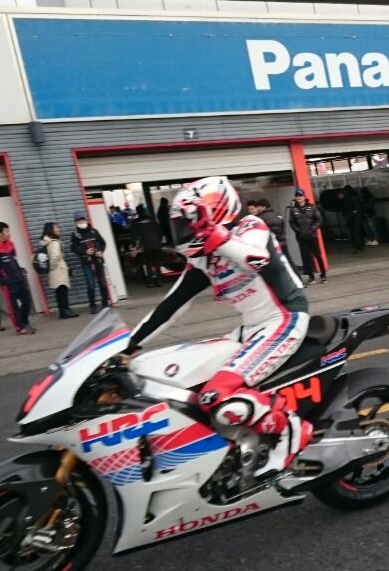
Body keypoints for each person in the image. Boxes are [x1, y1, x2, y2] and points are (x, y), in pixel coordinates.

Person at [123, 176, 313, 480]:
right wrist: (128, 346)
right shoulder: (204, 259)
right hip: (252, 328)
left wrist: (217, 237)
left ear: (213, 212)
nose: (182, 233)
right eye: (179, 225)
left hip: (284, 320)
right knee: (186, 383)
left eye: (188, 224)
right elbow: (170, 306)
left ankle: (290, 429)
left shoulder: (250, 226)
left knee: (215, 395)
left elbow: (257, 258)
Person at [0, 222, 35, 335]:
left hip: (19, 278)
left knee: (26, 301)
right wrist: (3, 275)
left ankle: (24, 322)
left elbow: (14, 258)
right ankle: (19, 328)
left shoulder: (11, 244)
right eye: (7, 231)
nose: (9, 233)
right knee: (13, 307)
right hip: (7, 282)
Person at [70, 214, 111, 312]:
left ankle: (105, 303)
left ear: (87, 220)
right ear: (75, 223)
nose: (82, 223)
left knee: (102, 283)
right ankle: (92, 305)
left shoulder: (94, 231)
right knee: (91, 284)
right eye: (79, 221)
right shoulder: (75, 235)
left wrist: (100, 251)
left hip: (98, 260)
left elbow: (103, 243)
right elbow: (73, 248)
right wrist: (85, 252)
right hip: (86, 262)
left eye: (83, 220)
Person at [287, 189, 327, 285]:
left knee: (318, 255)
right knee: (306, 257)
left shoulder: (312, 207)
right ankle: (311, 276)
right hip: (301, 237)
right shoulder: (293, 209)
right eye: (297, 196)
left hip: (312, 236)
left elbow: (319, 220)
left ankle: (323, 275)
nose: (299, 197)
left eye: (300, 195)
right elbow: (291, 223)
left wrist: (312, 229)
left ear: (304, 196)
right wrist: (298, 231)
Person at [41, 222, 78, 319]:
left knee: (59, 292)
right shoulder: (54, 243)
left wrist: (52, 268)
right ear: (51, 230)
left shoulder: (48, 242)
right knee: (63, 292)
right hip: (58, 271)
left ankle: (64, 311)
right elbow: (55, 257)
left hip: (55, 271)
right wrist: (54, 267)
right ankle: (65, 311)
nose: (58, 229)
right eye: (56, 228)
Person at [133, 209, 164, 288]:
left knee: (148, 264)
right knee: (157, 263)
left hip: (146, 246)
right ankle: (159, 281)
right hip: (156, 245)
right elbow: (160, 233)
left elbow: (136, 236)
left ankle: (150, 282)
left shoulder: (139, 224)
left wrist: (136, 246)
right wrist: (159, 241)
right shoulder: (154, 222)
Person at [340, 185, 364, 253]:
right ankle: (359, 246)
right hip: (354, 217)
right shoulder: (350, 198)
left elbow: (354, 209)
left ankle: (359, 247)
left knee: (355, 233)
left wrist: (351, 215)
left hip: (354, 218)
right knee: (355, 232)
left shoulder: (350, 199)